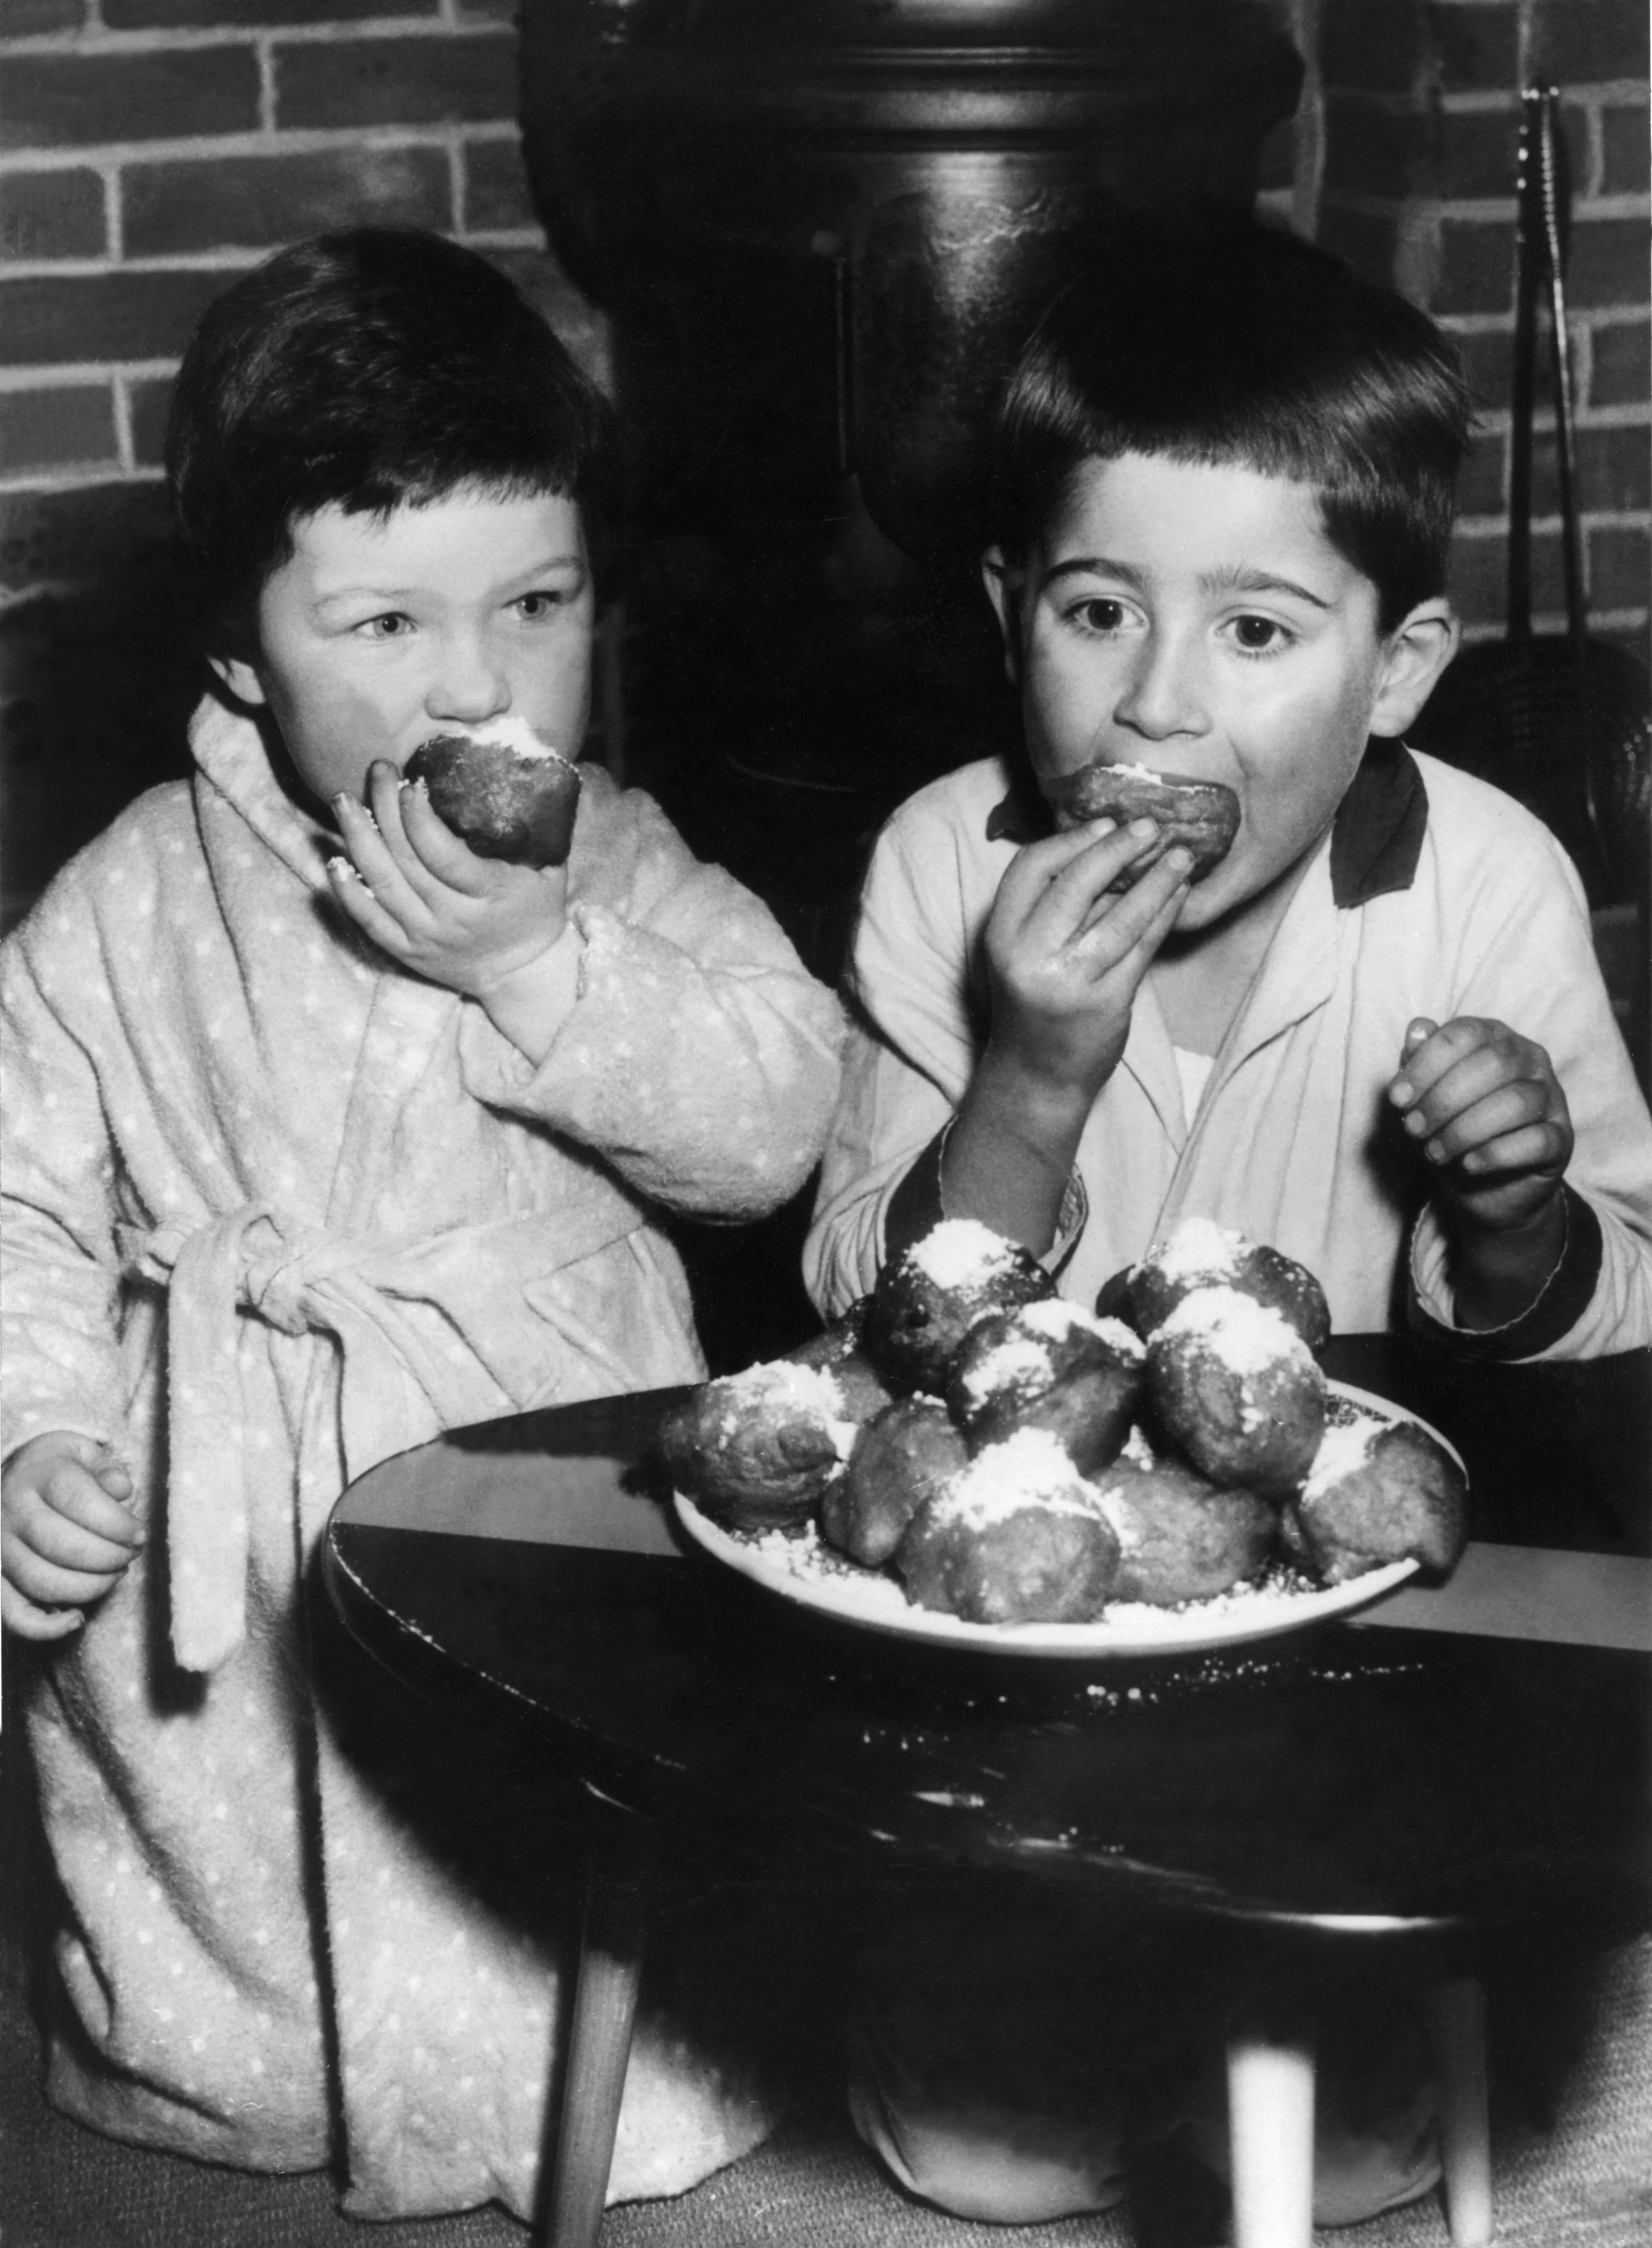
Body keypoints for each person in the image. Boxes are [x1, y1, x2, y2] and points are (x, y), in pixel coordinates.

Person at [804, 210, 1652, 2224]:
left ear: (1396, 676)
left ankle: (1322, 1976)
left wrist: (1516, 1209)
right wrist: (1028, 1074)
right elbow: (860, 1325)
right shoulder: (943, 861)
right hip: (1020, 1625)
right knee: (977, 2153)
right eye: (1097, 613)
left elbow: (1613, 1307)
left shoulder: (1483, 879)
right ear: (1007, 609)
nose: (1158, 710)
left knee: (1342, 2144)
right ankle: (1022, 1956)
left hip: (1354, 1645)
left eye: (1258, 635)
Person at [0, 229, 843, 2223]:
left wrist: (550, 967)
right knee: (232, 1894)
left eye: (535, 604)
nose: (476, 681)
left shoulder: (622, 865)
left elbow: (772, 1120)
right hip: (234, 1502)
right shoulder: (129, 897)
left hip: (551, 1480)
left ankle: (609, 2084)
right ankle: (226, 2057)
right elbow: (13, 1187)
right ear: (235, 649)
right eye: (382, 623)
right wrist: (33, 1424)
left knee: (561, 1878)